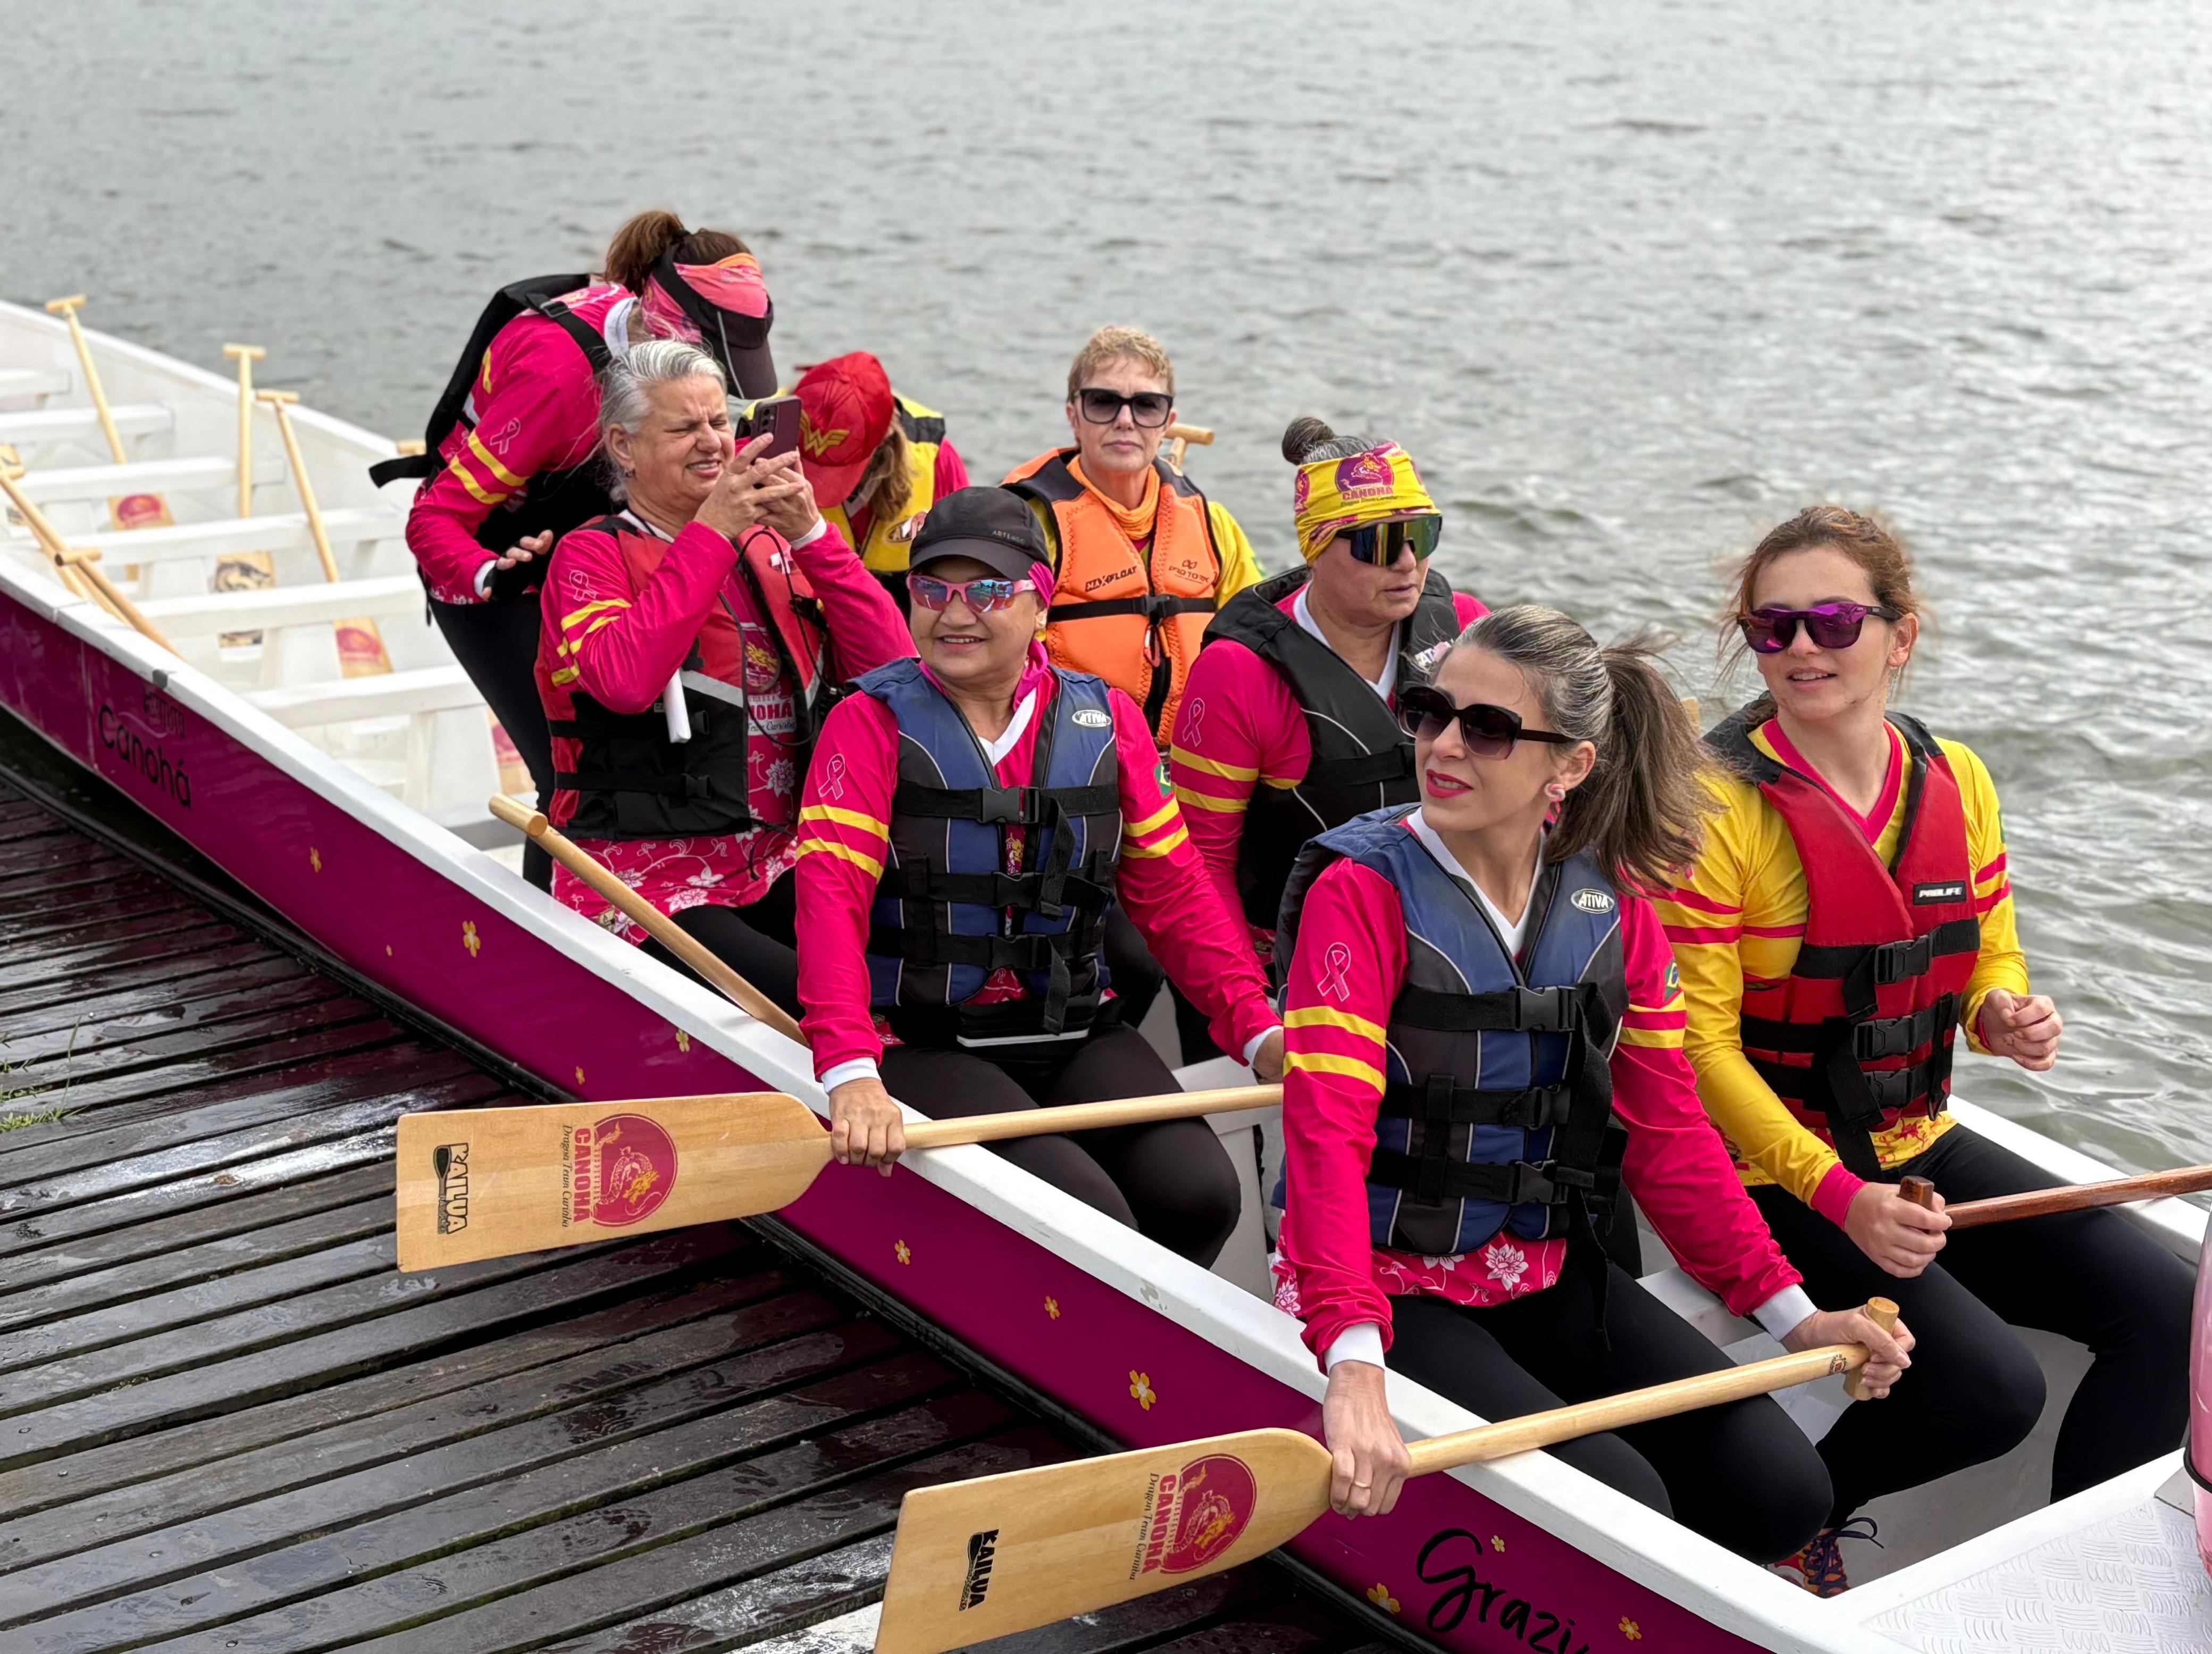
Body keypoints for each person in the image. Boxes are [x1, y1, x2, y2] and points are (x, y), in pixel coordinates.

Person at [1274, 605, 1911, 1568]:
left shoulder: (1614, 907)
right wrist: (1354, 1365)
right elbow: (1325, 1139)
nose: (1444, 745)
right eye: (1429, 712)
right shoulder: (1359, 893)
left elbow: (1672, 1136)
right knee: (1626, 1503)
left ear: (1568, 766)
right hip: (1378, 1280)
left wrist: (1791, 1311)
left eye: (1486, 729)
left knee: (1784, 1492)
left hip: (1541, 1266)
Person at [1658, 505, 2194, 1593]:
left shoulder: (1957, 776)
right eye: (1772, 629)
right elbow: (1697, 1050)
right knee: (1989, 1388)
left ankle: (2078, 1592)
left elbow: (1988, 945)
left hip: (1916, 1143)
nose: (1802, 647)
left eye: (1832, 621)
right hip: (1769, 1170)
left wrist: (2001, 1012)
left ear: (1898, 638)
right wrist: (1838, 1192)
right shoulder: (1717, 806)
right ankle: (1782, 1536)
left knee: (2171, 1313)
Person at [789, 487, 1287, 1265]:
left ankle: (1140, 1358)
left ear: (1041, 605)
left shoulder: (1108, 718)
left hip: (1075, 1025)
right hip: (925, 1039)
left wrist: (1256, 1028)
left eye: (988, 590)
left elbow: (1176, 894)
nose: (956, 613)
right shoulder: (869, 721)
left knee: (1200, 1194)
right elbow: (829, 902)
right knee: (1095, 1222)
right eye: (931, 590)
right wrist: (849, 1068)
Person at [378, 210, 778, 887]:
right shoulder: (559, 376)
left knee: (638, 761)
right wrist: (489, 576)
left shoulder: (665, 348)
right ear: (656, 316)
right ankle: (552, 948)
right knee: (567, 771)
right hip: (496, 565)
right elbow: (433, 517)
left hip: (586, 544)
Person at [533, 340, 910, 1013]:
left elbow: (894, 669)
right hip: (644, 876)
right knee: (821, 1000)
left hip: (782, 856)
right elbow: (624, 682)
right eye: (684, 428)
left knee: (923, 961)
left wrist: (814, 538)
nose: (712, 443)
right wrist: (712, 529)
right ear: (623, 445)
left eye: (719, 423)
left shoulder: (767, 544)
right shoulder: (586, 556)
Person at [1168, 417, 1487, 1060]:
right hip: (1288, 964)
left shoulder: (1466, 628)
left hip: (1433, 943)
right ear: (1314, 547)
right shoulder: (1239, 673)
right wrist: (1251, 1019)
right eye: (1376, 543)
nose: (1407, 563)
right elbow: (1200, 865)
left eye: (1421, 535)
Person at [1003, 325, 1264, 743]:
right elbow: (1000, 672)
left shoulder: (1213, 525)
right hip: (1071, 756)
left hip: (1189, 755)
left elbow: (1260, 646)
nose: (1126, 421)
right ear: (1074, 416)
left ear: (1167, 423)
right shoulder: (1029, 525)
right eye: (1104, 402)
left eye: (1146, 405)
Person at [790, 352, 969, 594]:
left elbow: (966, 569)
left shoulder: (938, 459)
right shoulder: (759, 443)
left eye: (840, 467)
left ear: (884, 439)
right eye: (811, 464)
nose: (817, 487)